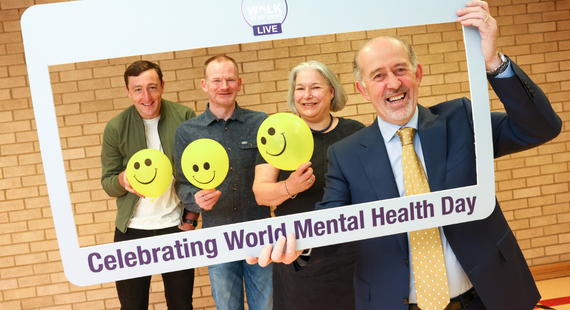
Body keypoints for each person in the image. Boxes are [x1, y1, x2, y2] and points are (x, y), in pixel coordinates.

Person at [246, 1, 563, 310]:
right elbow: (333, 226)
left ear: (418, 73)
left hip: (485, 296)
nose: (393, 83)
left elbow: (538, 128)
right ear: (362, 88)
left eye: (400, 70)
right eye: (378, 75)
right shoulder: (346, 155)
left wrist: (494, 61)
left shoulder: (462, 119)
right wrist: (298, 243)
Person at [253, 60, 365, 309]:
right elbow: (261, 193)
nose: (307, 95)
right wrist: (289, 187)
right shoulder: (278, 137)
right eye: (300, 88)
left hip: (354, 253)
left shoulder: (356, 132)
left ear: (331, 91)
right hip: (299, 253)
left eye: (315, 87)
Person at [174, 54, 273, 310]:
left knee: (267, 306)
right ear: (204, 85)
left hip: (260, 232)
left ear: (239, 83)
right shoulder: (188, 132)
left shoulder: (260, 122)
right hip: (218, 237)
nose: (224, 86)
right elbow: (181, 184)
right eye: (216, 80)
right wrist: (193, 197)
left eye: (230, 79)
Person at [101, 60, 198, 310]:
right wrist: (122, 180)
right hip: (132, 231)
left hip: (175, 227)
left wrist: (190, 219)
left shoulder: (184, 117)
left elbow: (197, 174)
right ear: (127, 91)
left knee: (181, 305)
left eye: (152, 87)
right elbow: (108, 183)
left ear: (163, 86)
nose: (146, 96)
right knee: (132, 306)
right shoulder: (115, 128)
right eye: (138, 89)